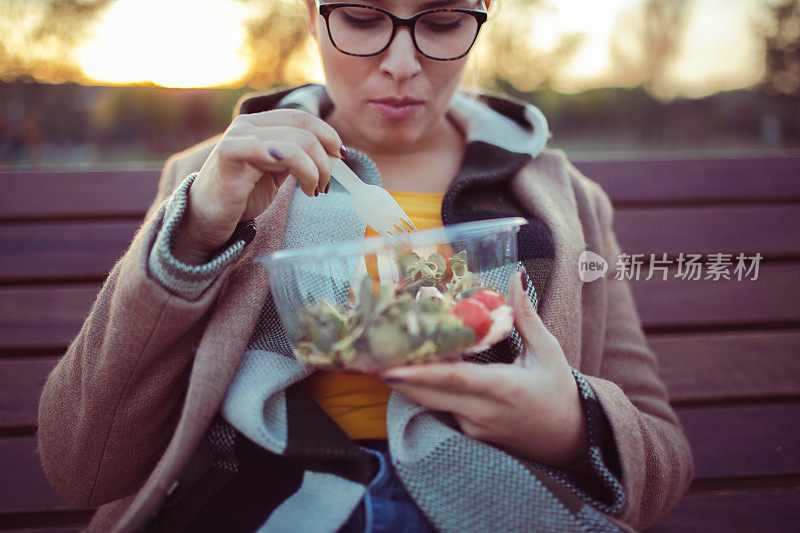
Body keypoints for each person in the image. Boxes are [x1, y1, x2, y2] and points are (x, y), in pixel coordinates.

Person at [37, 0, 693, 531]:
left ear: (481, 16)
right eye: (360, 18)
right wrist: (199, 230)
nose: (402, 64)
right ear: (311, 16)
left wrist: (567, 427)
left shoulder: (564, 199)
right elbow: (80, 466)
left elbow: (663, 453)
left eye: (440, 23)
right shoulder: (213, 179)